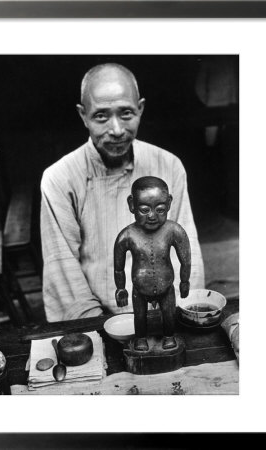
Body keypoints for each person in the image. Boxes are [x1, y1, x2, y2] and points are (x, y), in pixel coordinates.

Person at [40, 63, 204, 322]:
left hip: (166, 312)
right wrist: (97, 325)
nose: (116, 129)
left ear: (140, 108)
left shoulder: (168, 165)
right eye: (101, 116)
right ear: (83, 115)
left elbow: (187, 248)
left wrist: (181, 309)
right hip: (100, 320)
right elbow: (63, 271)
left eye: (126, 113)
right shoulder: (60, 178)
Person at [114, 176, 191, 351]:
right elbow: (118, 267)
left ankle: (169, 336)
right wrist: (120, 288)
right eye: (144, 209)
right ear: (132, 204)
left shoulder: (174, 231)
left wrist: (184, 281)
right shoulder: (127, 235)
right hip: (139, 290)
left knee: (169, 314)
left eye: (160, 209)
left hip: (167, 288)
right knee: (139, 316)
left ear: (169, 203)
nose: (152, 216)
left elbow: (185, 260)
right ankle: (140, 338)